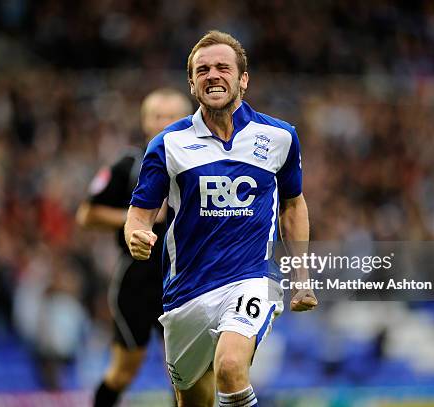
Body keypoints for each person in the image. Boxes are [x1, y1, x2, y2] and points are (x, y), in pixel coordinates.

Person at [124, 31, 317, 407]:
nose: (213, 75)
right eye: (203, 69)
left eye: (223, 68)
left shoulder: (279, 137)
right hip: (186, 293)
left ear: (243, 79)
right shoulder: (167, 144)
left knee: (230, 367)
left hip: (251, 278)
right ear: (192, 84)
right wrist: (136, 234)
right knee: (194, 401)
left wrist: (301, 276)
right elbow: (139, 215)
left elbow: (293, 205)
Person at [76, 88, 192, 406]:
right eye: (157, 116)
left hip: (187, 279)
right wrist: (137, 219)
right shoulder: (129, 164)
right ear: (144, 122)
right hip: (139, 279)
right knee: (124, 371)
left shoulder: (205, 164)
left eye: (172, 116)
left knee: (186, 374)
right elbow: (87, 214)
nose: (165, 123)